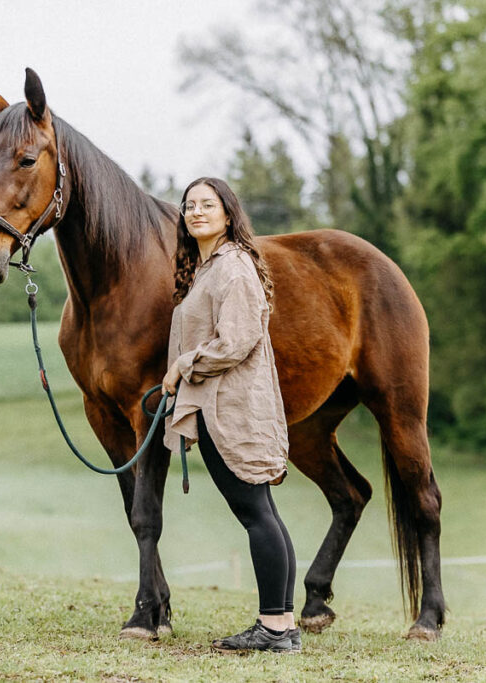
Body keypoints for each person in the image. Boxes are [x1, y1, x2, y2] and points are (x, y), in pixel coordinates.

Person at [162, 177, 299, 654]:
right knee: (263, 513)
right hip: (216, 401)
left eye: (207, 204)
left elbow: (236, 341)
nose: (196, 211)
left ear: (227, 213)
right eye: (189, 205)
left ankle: (274, 629)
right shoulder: (207, 269)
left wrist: (183, 365)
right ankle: (282, 623)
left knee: (255, 512)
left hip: (232, 405)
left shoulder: (233, 268)